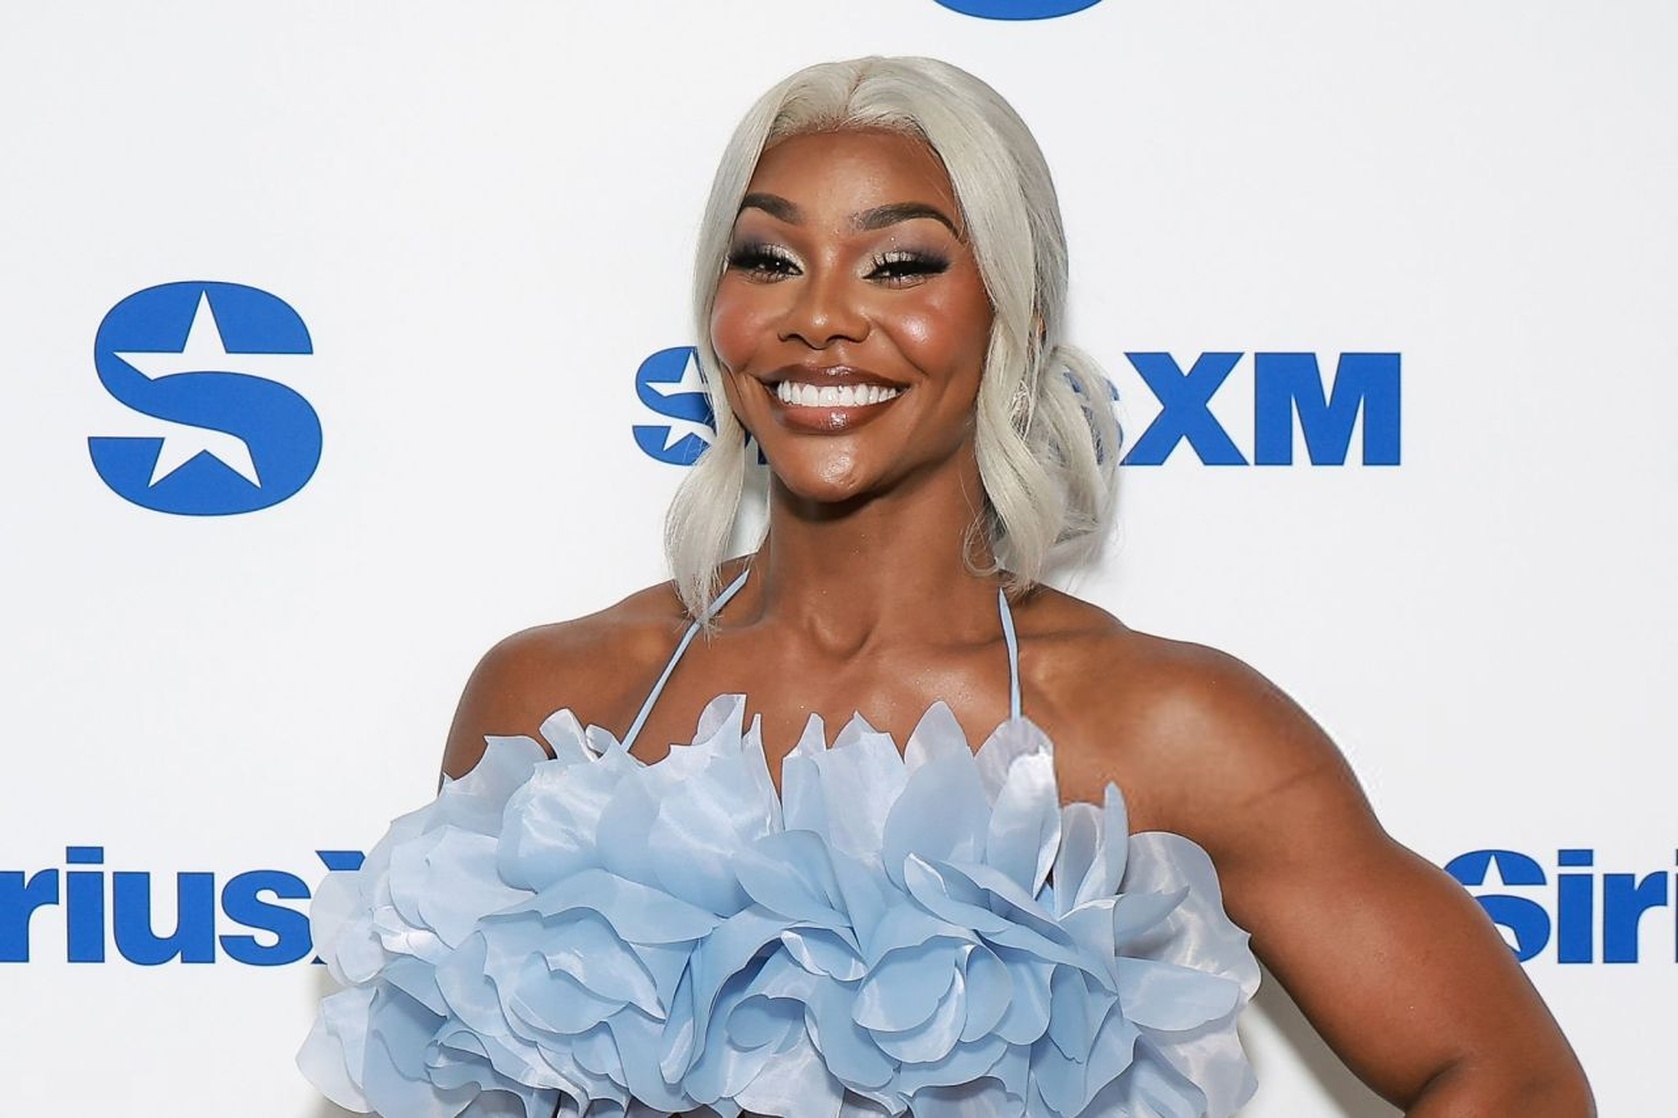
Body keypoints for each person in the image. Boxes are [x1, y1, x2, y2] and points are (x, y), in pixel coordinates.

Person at [301, 57, 1593, 1117]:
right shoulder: (553, 703)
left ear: (1014, 320)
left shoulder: (1165, 729)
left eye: (900, 264)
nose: (820, 316)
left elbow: (1510, 1079)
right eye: (768, 259)